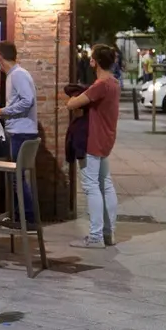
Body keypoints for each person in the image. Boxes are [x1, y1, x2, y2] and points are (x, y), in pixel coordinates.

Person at [66, 44, 121, 249]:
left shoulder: (100, 85)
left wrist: (72, 99)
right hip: (106, 139)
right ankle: (109, 233)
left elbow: (73, 104)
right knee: (105, 184)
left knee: (91, 187)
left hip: (93, 140)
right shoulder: (114, 83)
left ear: (94, 62)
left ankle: (96, 236)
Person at [0, 41, 39, 221]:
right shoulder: (15, 75)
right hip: (20, 131)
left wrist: (4, 111)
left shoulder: (18, 75)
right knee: (16, 177)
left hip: (21, 132)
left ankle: (26, 217)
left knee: (16, 177)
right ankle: (21, 216)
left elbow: (28, 100)